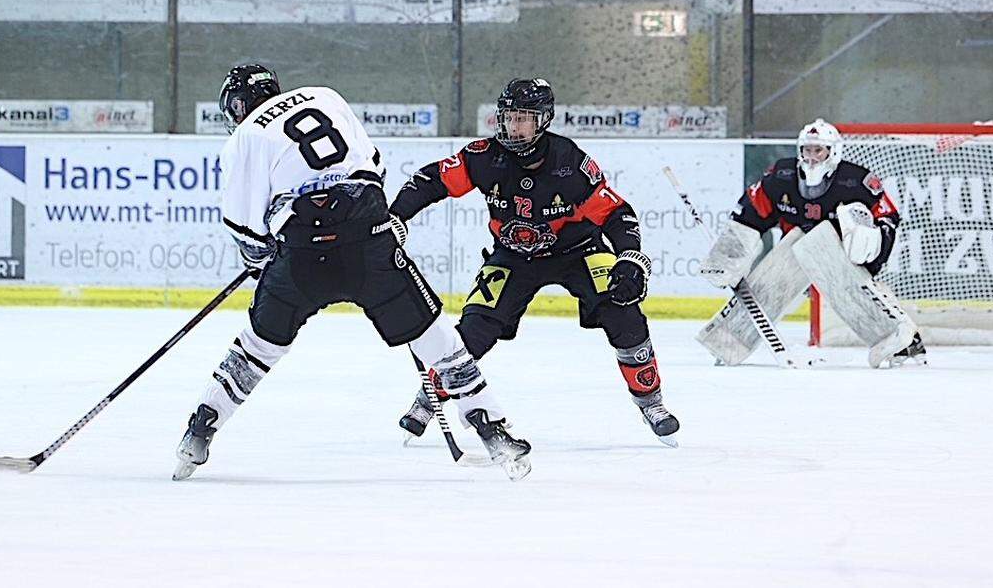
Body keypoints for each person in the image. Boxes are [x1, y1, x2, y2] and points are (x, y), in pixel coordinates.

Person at [172, 64, 531, 481]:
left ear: (237, 105)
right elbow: (373, 169)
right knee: (436, 338)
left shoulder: (246, 136)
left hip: (303, 251)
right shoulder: (325, 95)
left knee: (257, 348)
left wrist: (263, 259)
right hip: (367, 235)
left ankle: (201, 427)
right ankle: (491, 427)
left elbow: (244, 228)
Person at [388, 78, 680, 446]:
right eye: (508, 117)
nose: (513, 126)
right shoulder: (483, 156)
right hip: (513, 257)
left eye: (523, 118)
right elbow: (429, 181)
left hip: (579, 251)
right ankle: (428, 399)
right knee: (475, 329)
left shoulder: (568, 161)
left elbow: (616, 212)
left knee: (622, 309)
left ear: (543, 120)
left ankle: (651, 402)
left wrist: (630, 257)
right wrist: (395, 217)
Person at [700, 118, 927, 368]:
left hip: (840, 257)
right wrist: (728, 257)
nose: (812, 157)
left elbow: (888, 216)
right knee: (773, 277)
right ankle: (730, 339)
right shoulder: (781, 176)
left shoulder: (855, 180)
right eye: (807, 150)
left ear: (834, 152)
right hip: (798, 247)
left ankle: (899, 340)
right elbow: (751, 212)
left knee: (821, 250)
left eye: (818, 150)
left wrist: (874, 254)